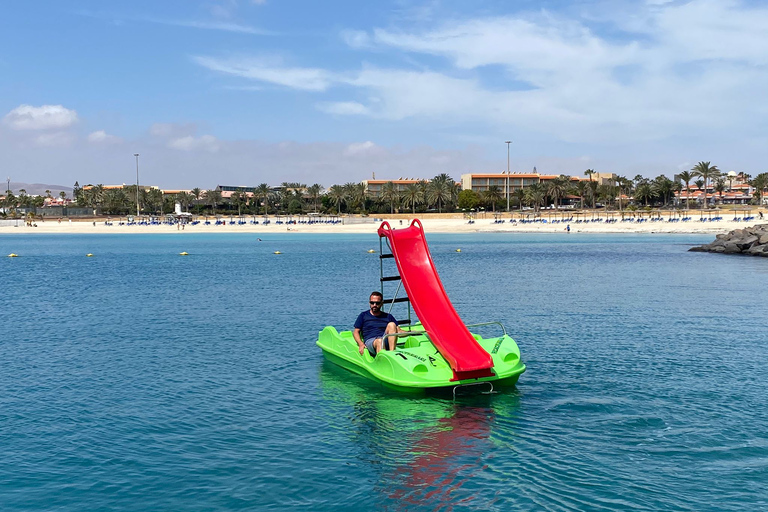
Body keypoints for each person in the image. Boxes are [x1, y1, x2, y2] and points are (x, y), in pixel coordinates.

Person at [353, 291, 404, 357]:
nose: (374, 305)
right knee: (379, 341)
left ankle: (392, 354)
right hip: (371, 341)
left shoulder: (388, 316)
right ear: (369, 303)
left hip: (384, 339)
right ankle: (383, 362)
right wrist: (361, 344)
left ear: (381, 303)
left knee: (392, 324)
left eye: (377, 303)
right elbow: (356, 332)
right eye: (372, 303)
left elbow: (398, 331)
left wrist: (412, 332)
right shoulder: (363, 315)